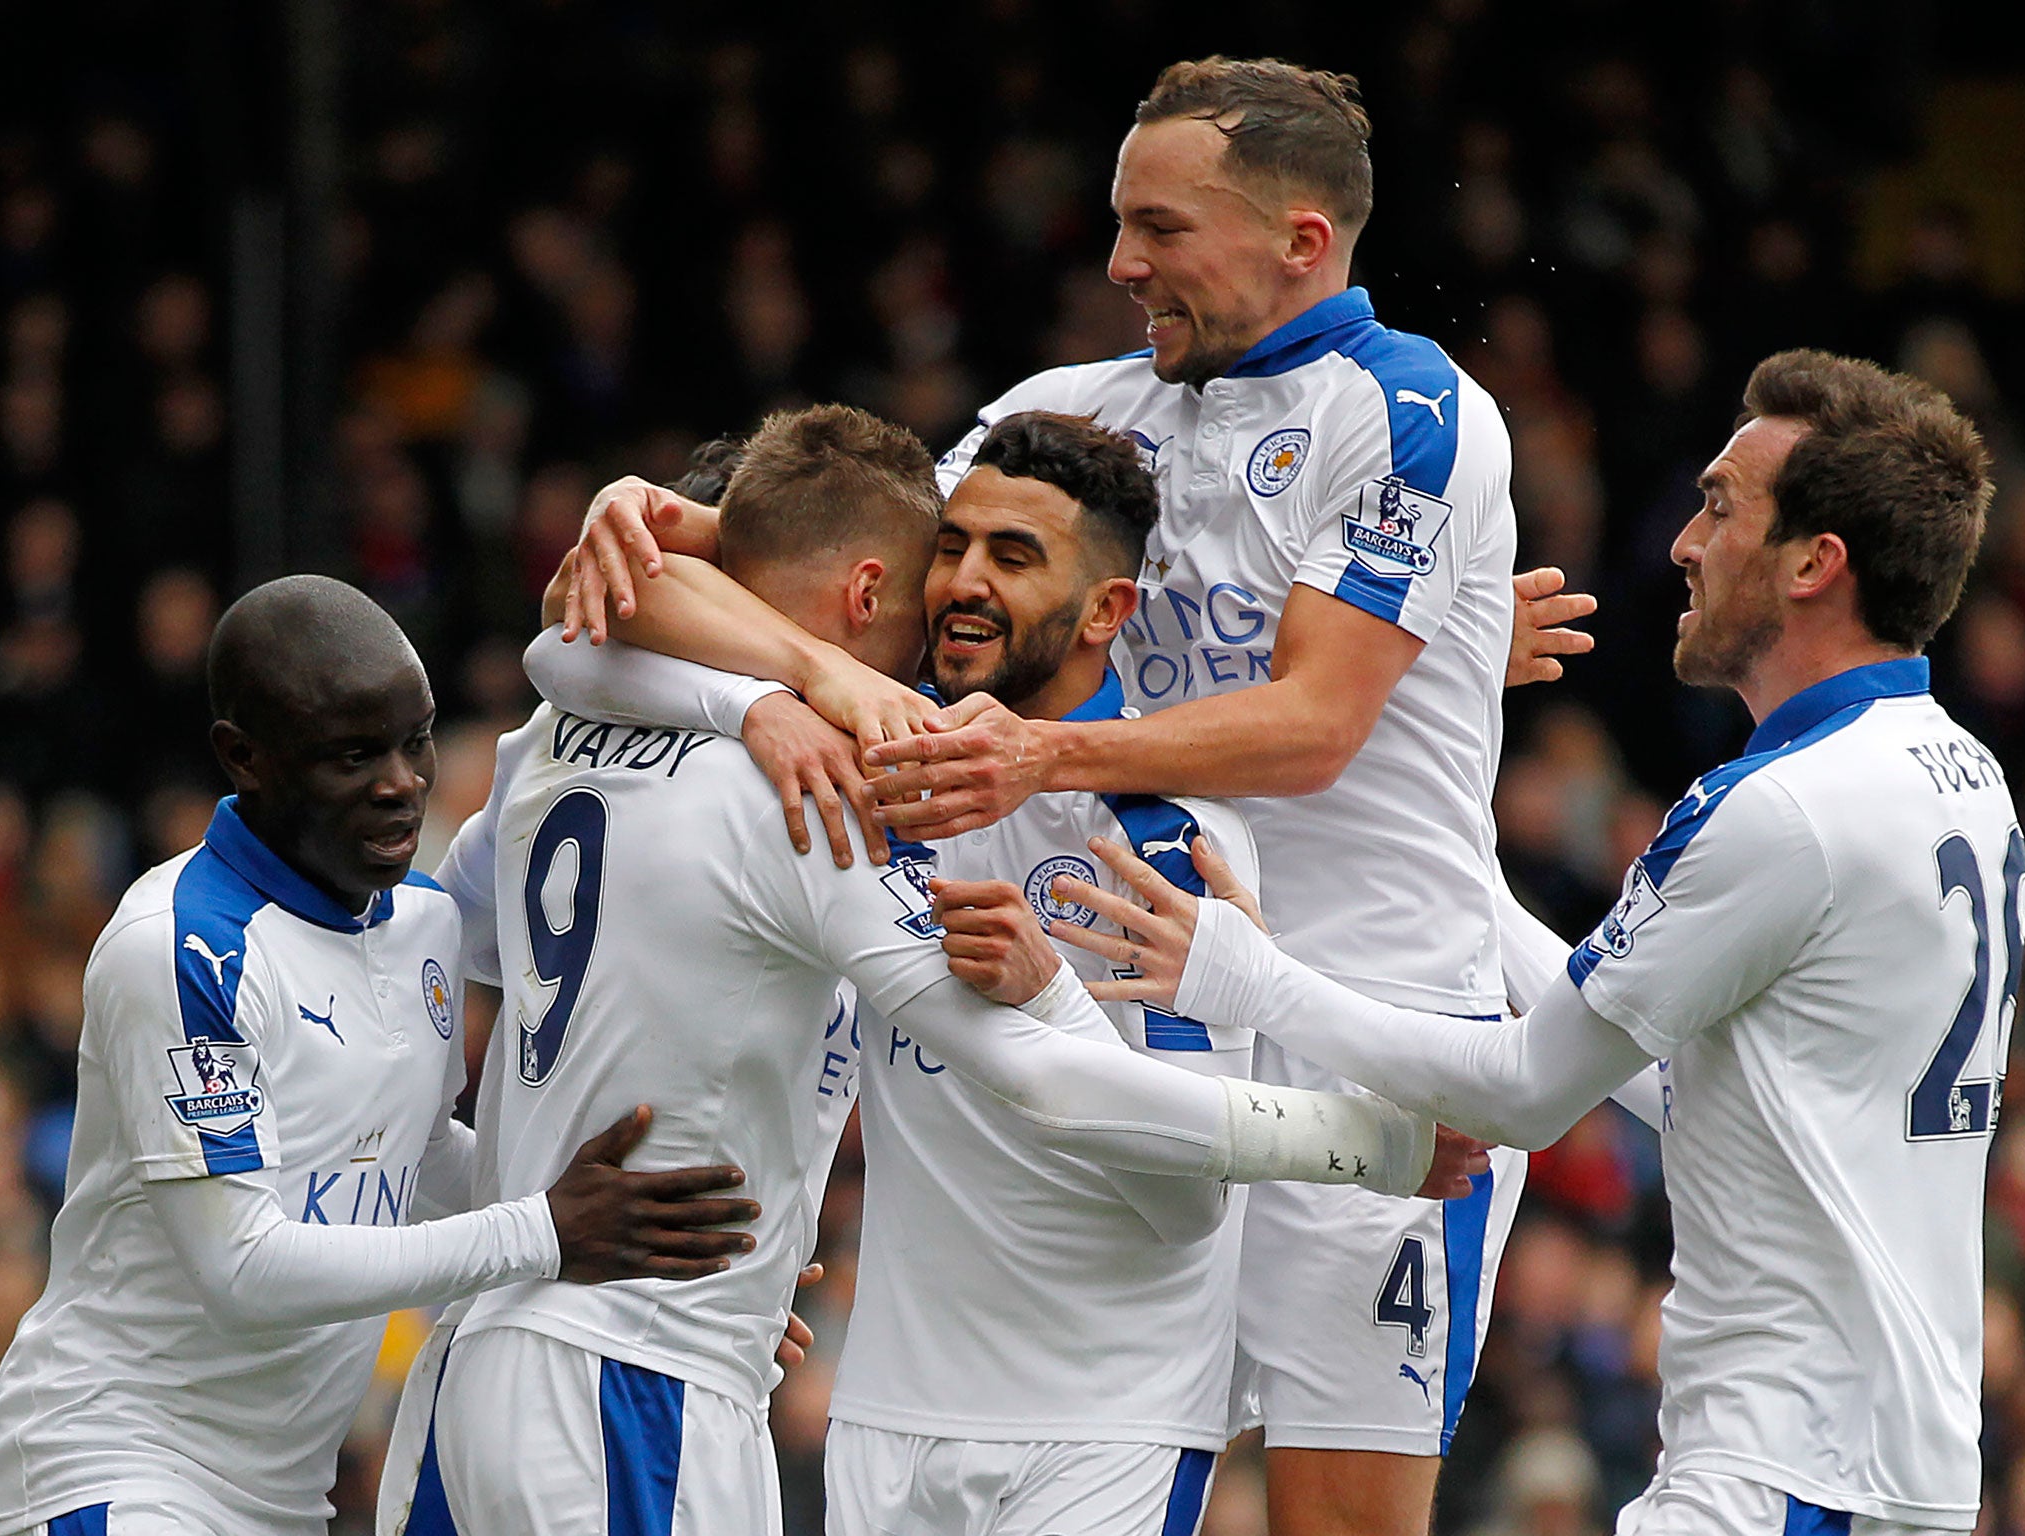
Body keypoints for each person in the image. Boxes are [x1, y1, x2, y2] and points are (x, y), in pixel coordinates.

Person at [556, 57, 1591, 1536]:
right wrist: (786, 665)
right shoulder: (1070, 416)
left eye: (1163, 228)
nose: (1121, 263)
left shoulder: (1417, 411)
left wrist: (1043, 754)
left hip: (1361, 1032)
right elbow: (738, 577)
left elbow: (1310, 727)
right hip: (1108, 1000)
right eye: (1120, 223)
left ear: (1302, 240)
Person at [395, 405, 1462, 1536]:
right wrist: (1376, 1142)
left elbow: (565, 647)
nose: (953, 589)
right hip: (664, 1380)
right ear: (866, 591)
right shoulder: (829, 787)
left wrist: (522, 1226)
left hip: (1076, 1429)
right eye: (942, 555)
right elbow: (1047, 1079)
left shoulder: (567, 733)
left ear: (1106, 608)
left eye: (1009, 556)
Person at [1059, 350, 2002, 1536]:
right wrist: (1431, 722)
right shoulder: (1957, 774)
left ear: (1814, 565)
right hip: (1893, 1461)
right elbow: (1695, 1080)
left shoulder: (1776, 812)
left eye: (1718, 508)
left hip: (1782, 1472)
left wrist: (1247, 975)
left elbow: (1520, 1091)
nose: (1681, 542)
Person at [0, 575, 765, 1536]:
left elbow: (418, 1153)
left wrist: (649, 1243)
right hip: (118, 1467)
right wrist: (548, 1231)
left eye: (416, 739)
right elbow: (246, 1267)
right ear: (245, 758)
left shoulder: (427, 924)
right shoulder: (182, 948)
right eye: (354, 754)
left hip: (288, 1496)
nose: (402, 781)